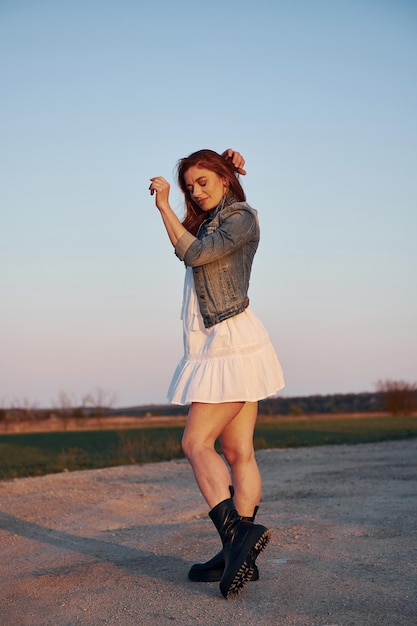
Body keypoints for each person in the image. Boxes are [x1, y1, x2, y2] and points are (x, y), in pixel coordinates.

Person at [149, 148, 284, 599]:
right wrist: (221, 165)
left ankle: (237, 541)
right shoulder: (210, 221)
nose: (196, 191)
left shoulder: (241, 218)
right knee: (236, 449)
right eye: (190, 186)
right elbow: (189, 244)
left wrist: (164, 205)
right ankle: (237, 552)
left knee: (195, 442)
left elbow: (194, 255)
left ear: (225, 181)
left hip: (230, 344)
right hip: (217, 343)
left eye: (204, 182)